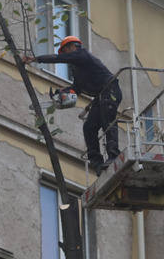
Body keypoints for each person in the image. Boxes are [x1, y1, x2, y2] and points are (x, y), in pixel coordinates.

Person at [23, 36, 122, 175]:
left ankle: (113, 155)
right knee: (89, 127)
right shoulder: (78, 70)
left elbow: (59, 58)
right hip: (100, 96)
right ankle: (97, 162)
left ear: (71, 47)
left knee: (107, 120)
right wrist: (66, 91)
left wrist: (36, 59)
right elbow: (77, 89)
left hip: (110, 90)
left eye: (65, 52)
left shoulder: (82, 55)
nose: (65, 56)